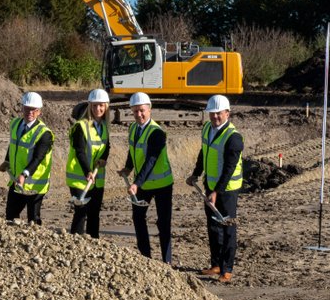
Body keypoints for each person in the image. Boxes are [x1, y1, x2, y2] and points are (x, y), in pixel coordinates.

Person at [187, 94, 244, 283]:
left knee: (227, 227)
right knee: (213, 226)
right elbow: (203, 153)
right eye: (212, 114)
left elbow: (228, 169)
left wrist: (216, 192)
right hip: (210, 186)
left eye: (218, 113)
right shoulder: (207, 129)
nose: (215, 117)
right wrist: (196, 173)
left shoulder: (234, 138)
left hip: (227, 190)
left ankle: (227, 269)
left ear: (227, 113)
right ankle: (216, 264)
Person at [118, 92, 174, 264]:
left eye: (142, 110)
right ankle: (146, 259)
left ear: (149, 109)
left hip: (162, 184)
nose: (139, 115)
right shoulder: (133, 128)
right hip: (142, 183)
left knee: (163, 223)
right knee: (138, 218)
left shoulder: (157, 133)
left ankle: (167, 262)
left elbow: (151, 160)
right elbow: (132, 150)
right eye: (135, 112)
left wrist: (136, 183)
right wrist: (128, 167)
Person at [0, 91, 54, 225]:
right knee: (10, 216)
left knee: (33, 219)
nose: (30, 112)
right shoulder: (15, 124)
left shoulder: (44, 134)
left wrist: (25, 174)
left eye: (33, 110)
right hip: (16, 180)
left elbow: (38, 158)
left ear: (39, 111)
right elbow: (13, 145)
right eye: (27, 108)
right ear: (22, 108)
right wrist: (7, 161)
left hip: (35, 184)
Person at [65, 89, 110, 238]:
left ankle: (94, 244)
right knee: (81, 212)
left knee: (94, 213)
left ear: (106, 107)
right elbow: (80, 151)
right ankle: (76, 243)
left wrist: (103, 159)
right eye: (95, 105)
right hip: (80, 179)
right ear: (90, 106)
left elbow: (106, 147)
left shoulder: (104, 127)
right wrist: (87, 171)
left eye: (101, 105)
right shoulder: (81, 126)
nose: (98, 109)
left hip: (96, 180)